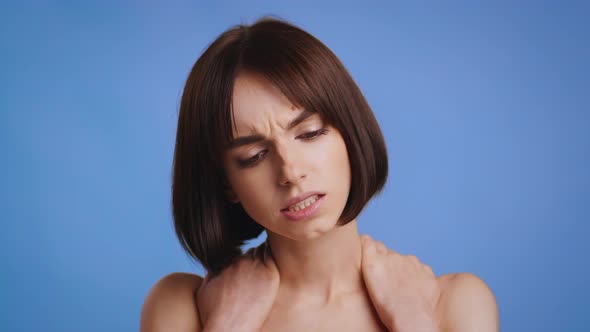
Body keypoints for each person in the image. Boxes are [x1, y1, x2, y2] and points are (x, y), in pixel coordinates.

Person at [140, 17, 499, 331]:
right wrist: (229, 325)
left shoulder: (454, 302)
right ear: (225, 183)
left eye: (309, 133)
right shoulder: (182, 307)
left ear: (350, 134)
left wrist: (416, 322)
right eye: (254, 156)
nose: (291, 172)